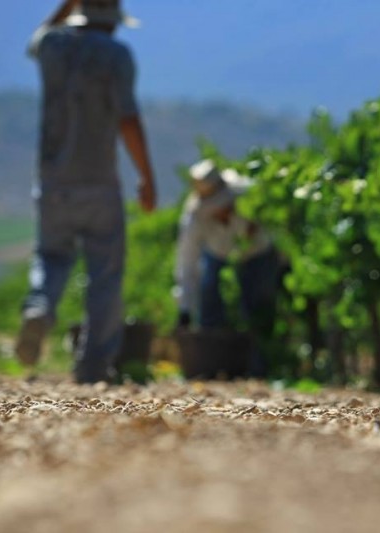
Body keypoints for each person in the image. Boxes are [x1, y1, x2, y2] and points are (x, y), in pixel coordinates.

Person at [15, 0, 157, 383]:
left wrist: (66, 4)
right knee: (105, 275)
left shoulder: (54, 46)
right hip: (99, 182)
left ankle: (40, 308)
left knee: (51, 256)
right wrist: (146, 176)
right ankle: (93, 365)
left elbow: (34, 41)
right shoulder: (117, 55)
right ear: (113, 22)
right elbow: (128, 118)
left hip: (53, 181)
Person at [175, 159, 279, 376]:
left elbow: (270, 234)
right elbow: (187, 262)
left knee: (257, 305)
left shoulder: (249, 198)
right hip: (217, 255)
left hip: (258, 254)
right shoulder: (194, 219)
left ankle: (259, 365)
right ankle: (211, 360)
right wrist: (185, 309)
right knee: (208, 285)